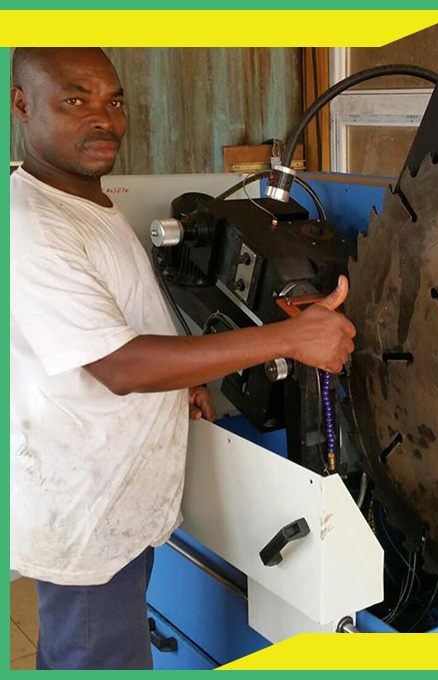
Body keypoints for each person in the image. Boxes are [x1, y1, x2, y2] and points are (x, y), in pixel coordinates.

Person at [9, 47, 356, 670]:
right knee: (94, 656)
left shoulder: (84, 200)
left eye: (113, 100)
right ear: (22, 105)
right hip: (90, 516)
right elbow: (120, 366)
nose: (104, 118)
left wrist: (184, 384)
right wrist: (290, 339)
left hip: (116, 496)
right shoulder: (35, 224)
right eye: (75, 99)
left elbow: (121, 321)